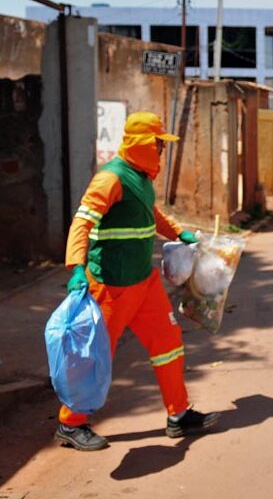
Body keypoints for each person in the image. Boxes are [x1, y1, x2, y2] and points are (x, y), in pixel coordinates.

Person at [54, 111, 220, 451]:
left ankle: (179, 415)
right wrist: (76, 268)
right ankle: (70, 424)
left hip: (144, 282)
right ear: (142, 143)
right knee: (94, 355)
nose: (161, 149)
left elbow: (150, 215)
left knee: (169, 341)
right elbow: (82, 222)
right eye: (158, 143)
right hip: (110, 285)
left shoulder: (141, 179)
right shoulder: (111, 179)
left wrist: (179, 232)